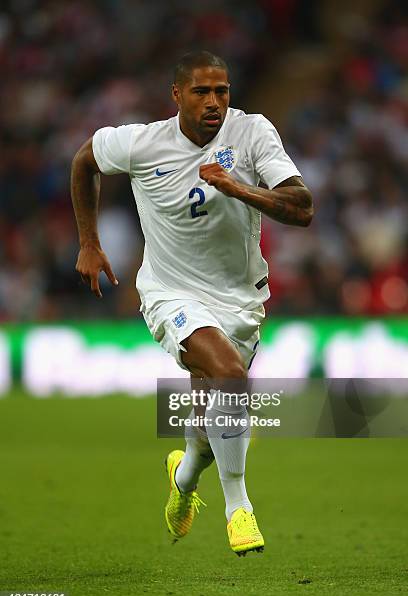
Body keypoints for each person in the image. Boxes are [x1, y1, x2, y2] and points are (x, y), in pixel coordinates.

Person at [71, 51, 313, 556]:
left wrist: (235, 187)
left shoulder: (251, 134)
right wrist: (89, 242)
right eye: (201, 92)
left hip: (240, 298)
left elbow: (302, 207)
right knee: (228, 373)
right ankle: (239, 509)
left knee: (210, 423)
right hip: (169, 290)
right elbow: (83, 161)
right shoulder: (141, 143)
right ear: (177, 95)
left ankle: (183, 480)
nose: (214, 102)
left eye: (222, 91)